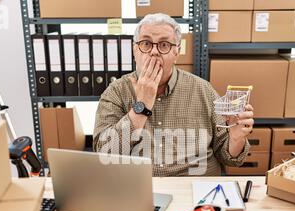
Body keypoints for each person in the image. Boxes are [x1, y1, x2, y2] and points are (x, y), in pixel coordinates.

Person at [93, 13, 254, 176]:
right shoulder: (115, 92)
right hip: (140, 188)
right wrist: (141, 107)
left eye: (164, 45)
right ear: (135, 50)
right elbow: (105, 155)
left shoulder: (203, 90)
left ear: (176, 52)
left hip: (196, 190)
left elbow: (229, 157)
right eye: (146, 43)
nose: (154, 52)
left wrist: (235, 138)